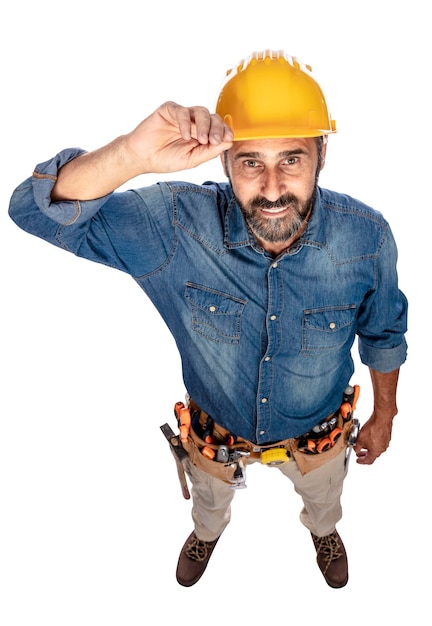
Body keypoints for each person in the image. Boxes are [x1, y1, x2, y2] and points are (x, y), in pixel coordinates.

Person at [9, 50, 408, 589]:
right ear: (224, 162)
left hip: (319, 433)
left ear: (321, 153)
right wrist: (131, 155)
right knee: (209, 504)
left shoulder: (366, 238)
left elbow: (385, 332)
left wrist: (385, 416)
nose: (271, 188)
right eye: (250, 162)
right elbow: (33, 212)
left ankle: (323, 531)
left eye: (291, 159)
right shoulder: (177, 225)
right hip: (214, 434)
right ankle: (207, 531)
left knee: (325, 500)